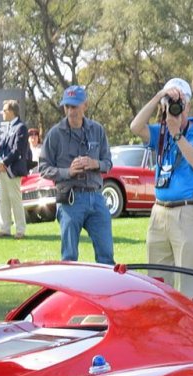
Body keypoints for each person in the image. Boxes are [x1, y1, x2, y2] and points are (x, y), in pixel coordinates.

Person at [130, 77, 193, 295]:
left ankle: (188, 328)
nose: (178, 110)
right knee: (157, 283)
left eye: (182, 104)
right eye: (173, 104)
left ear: (189, 106)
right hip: (159, 212)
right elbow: (135, 126)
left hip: (186, 212)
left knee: (188, 283)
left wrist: (177, 133)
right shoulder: (161, 131)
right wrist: (160, 96)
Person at [41, 84, 114, 265]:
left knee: (106, 255)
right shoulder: (55, 134)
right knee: (69, 257)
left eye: (74, 106)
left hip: (96, 198)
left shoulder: (97, 130)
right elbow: (43, 167)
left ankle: (106, 292)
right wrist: (68, 172)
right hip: (70, 200)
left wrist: (95, 164)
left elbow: (108, 163)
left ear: (85, 106)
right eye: (67, 106)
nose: (70, 111)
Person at [0, 98, 30, 238]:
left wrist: (5, 163)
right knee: (3, 199)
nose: (2, 113)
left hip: (12, 169)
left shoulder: (21, 127)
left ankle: (20, 229)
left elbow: (18, 150)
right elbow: (1, 147)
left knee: (15, 199)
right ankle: (5, 228)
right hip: (3, 169)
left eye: (4, 111)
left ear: (12, 112)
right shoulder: (8, 127)